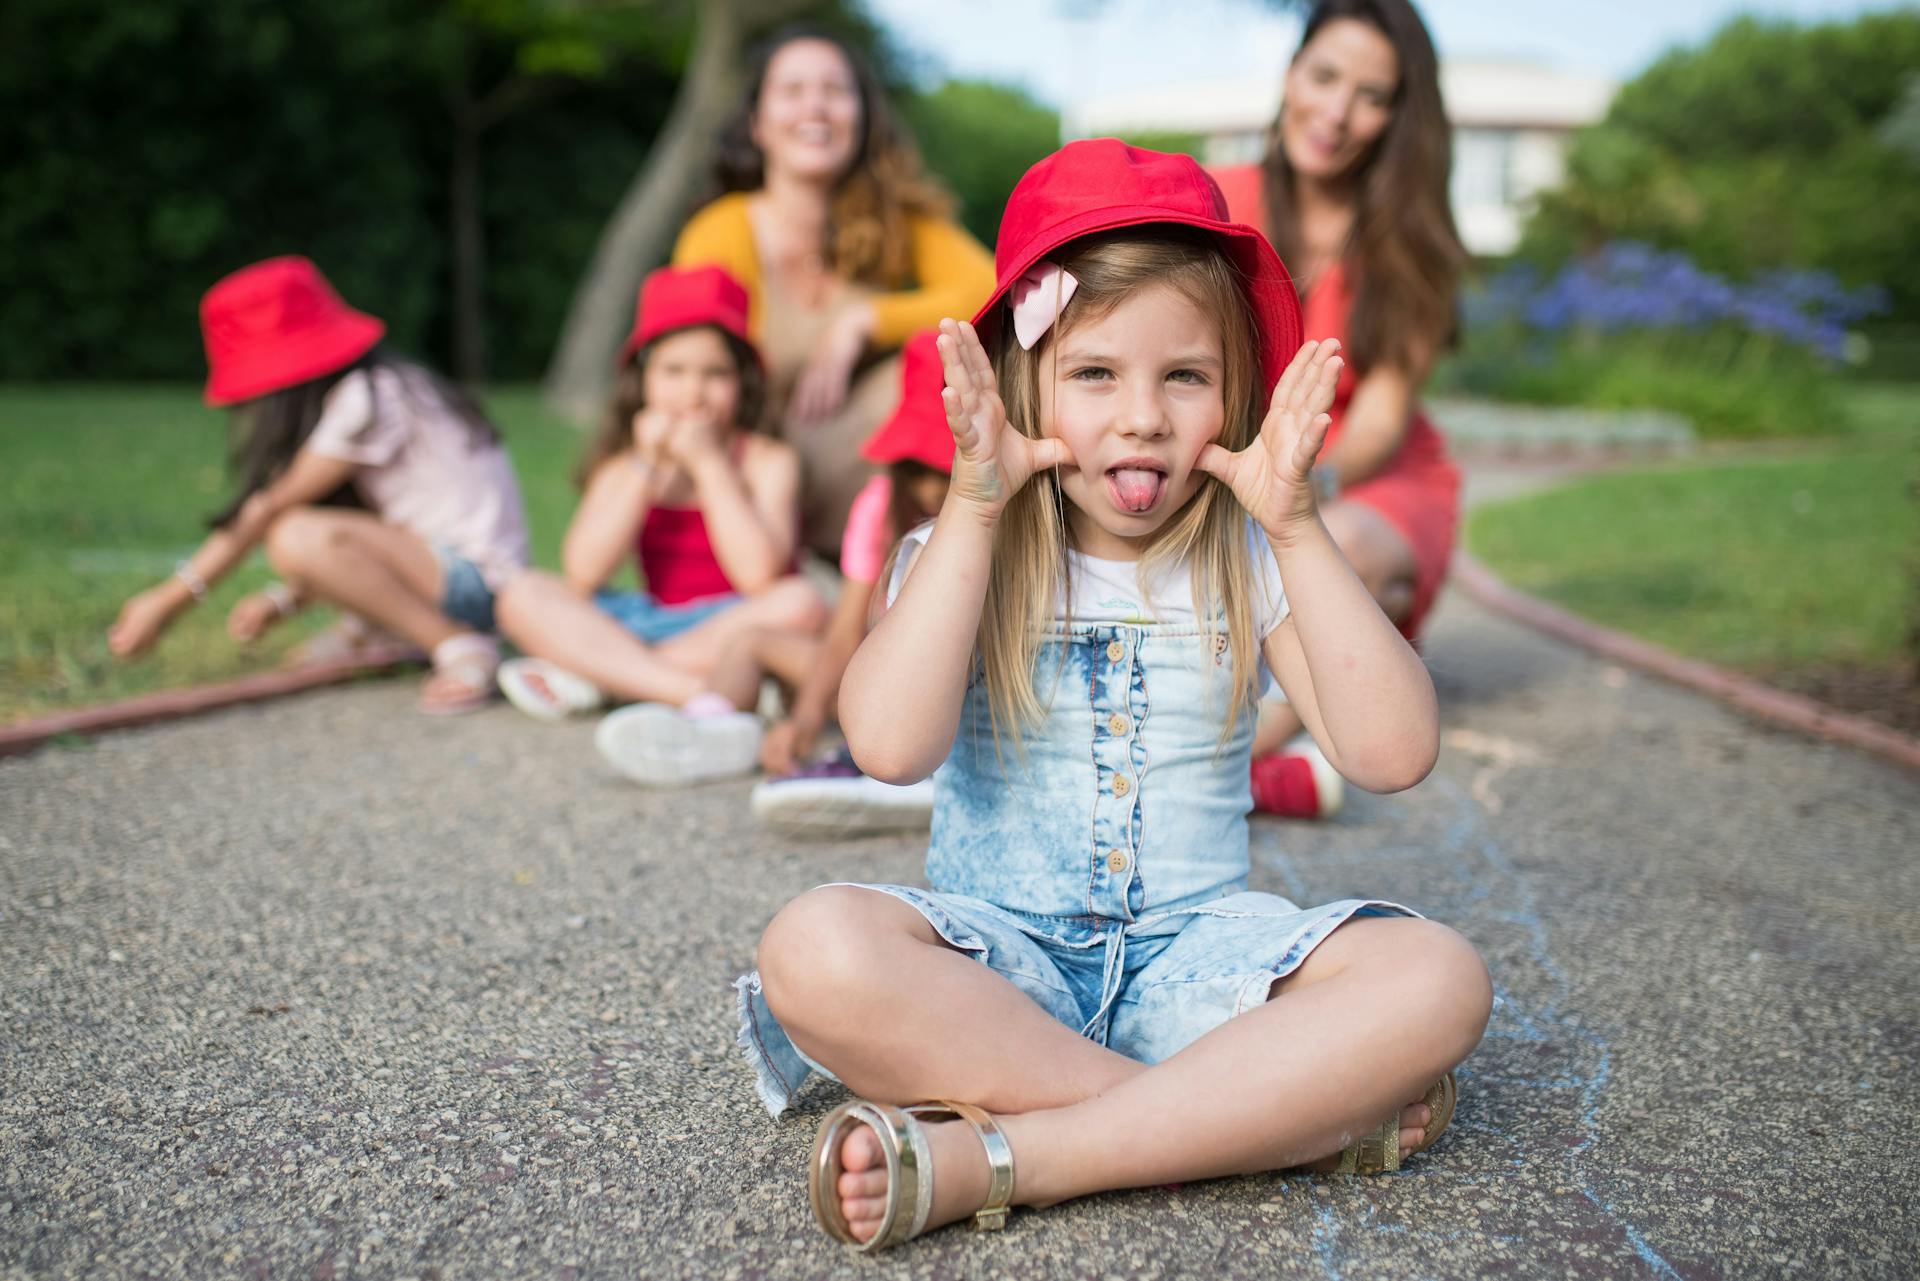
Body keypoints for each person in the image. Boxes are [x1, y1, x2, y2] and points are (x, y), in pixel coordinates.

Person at [734, 141, 1492, 1251]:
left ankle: (1014, 1157)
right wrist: (978, 509)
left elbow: (1391, 754)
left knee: (1437, 978)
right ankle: (1249, 1116)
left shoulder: (1254, 554)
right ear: (1024, 381)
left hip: (1200, 963)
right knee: (812, 946)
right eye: (1096, 375)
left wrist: (1295, 522)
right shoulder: (962, 551)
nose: (1142, 417)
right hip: (997, 971)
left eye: (1183, 376)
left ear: (1232, 393)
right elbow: (890, 746)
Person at [1211, 0, 1467, 820]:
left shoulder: (1410, 245)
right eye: (1323, 76)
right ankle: (1285, 758)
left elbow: (1382, 421)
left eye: (1370, 95)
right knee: (1343, 607)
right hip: (1231, 469)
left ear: (1397, 117)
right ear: (1290, 75)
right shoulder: (1216, 199)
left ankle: (1203, 774)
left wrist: (1288, 482)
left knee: (1339, 548)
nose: (1335, 112)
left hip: (1369, 478)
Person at [107, 256, 529, 714]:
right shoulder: (388, 385)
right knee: (304, 528)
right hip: (466, 576)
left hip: (478, 586)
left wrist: (167, 602)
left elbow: (267, 509)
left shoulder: (368, 398)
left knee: (293, 533)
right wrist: (286, 599)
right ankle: (375, 630)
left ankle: (457, 645)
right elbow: (377, 528)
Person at [671, 26, 994, 559]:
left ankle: (921, 563)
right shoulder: (719, 232)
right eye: (793, 91)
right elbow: (690, 374)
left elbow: (987, 287)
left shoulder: (895, 220)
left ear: (862, 120)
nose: (815, 106)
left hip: (869, 491)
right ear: (757, 123)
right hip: (756, 500)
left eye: (836, 91)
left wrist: (865, 320)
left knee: (942, 365)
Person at [492, 266, 824, 782]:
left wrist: (711, 465)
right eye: (673, 371)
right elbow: (583, 573)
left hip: (732, 626)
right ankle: (694, 695)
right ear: (642, 381)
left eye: (715, 374)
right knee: (522, 592)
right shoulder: (626, 462)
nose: (694, 392)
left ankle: (603, 677)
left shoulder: (766, 460)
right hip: (649, 620)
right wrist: (646, 467)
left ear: (744, 382)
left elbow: (760, 577)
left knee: (800, 602)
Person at [721, 331, 953, 834]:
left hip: (971, 691)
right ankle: (713, 724)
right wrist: (806, 720)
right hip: (893, 680)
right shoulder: (878, 506)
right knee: (761, 644)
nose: (934, 488)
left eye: (950, 466)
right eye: (919, 468)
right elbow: (846, 629)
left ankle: (912, 774)